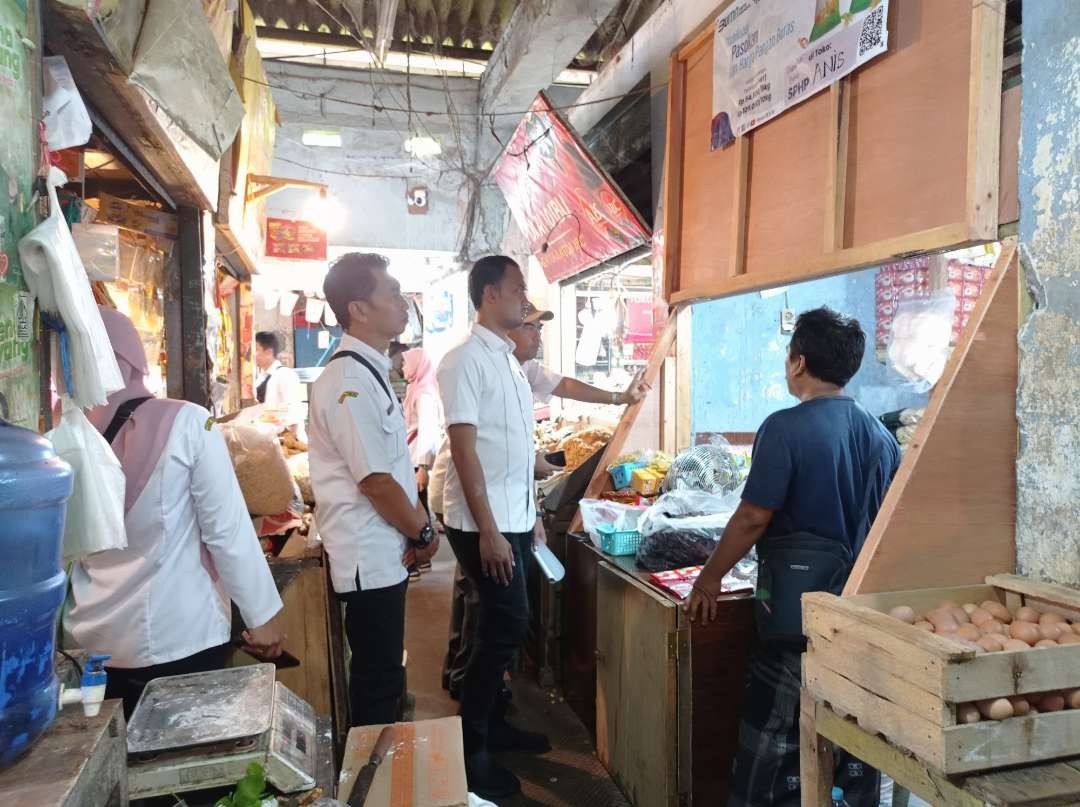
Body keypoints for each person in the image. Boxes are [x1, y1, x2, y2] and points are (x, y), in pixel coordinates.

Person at [684, 308, 900, 807]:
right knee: (853, 740)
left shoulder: (784, 428)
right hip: (860, 615)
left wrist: (709, 579)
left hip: (795, 620)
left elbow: (752, 518)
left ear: (798, 362)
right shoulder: (883, 437)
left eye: (788, 357)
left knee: (774, 741)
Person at [64, 307, 287, 718]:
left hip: (94, 646)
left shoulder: (63, 439)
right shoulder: (188, 422)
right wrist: (262, 616)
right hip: (182, 636)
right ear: (131, 357)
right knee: (185, 768)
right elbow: (227, 530)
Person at [437, 300, 650, 701]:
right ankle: (470, 704)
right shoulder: (472, 362)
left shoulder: (520, 371)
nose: (536, 335)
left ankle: (483, 704)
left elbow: (564, 386)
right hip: (481, 513)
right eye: (531, 327)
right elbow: (469, 453)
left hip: (508, 510)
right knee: (491, 612)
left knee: (496, 615)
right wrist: (489, 529)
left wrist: (619, 398)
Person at [308, 253, 440, 727]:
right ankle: (372, 786)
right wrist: (424, 533)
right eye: (392, 292)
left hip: (384, 552)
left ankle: (382, 775)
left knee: (383, 675)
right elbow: (376, 482)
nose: (402, 302)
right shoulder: (348, 380)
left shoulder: (367, 371)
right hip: (369, 559)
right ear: (358, 309)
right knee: (377, 682)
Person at [436, 257, 548, 799]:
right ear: (488, 294)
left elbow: (514, 447)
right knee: (507, 622)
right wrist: (488, 530)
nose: (523, 301)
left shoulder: (507, 359)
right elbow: (464, 450)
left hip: (514, 517)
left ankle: (492, 724)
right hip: (484, 522)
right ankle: (470, 745)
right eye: (516, 290)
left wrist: (533, 519)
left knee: (502, 626)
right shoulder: (463, 361)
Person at [402, 347, 443, 515]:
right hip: (412, 460)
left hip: (417, 463)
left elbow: (427, 432)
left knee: (419, 508)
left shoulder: (424, 394)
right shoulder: (416, 389)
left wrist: (423, 468)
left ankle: (425, 540)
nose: (403, 368)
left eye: (406, 363)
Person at [255, 331, 306, 437]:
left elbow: (294, 413)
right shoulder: (261, 377)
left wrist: (291, 443)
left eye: (256, 350)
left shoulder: (285, 375)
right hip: (269, 440)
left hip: (286, 441)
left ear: (269, 352)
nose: (253, 354)